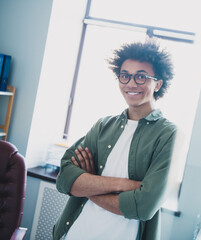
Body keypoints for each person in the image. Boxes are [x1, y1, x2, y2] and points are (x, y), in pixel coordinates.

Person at [53, 41, 177, 240]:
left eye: (141, 76)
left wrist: (89, 183)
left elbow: (143, 206)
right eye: (125, 75)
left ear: (158, 83)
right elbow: (65, 179)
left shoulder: (168, 135)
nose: (131, 83)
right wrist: (126, 185)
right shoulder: (103, 126)